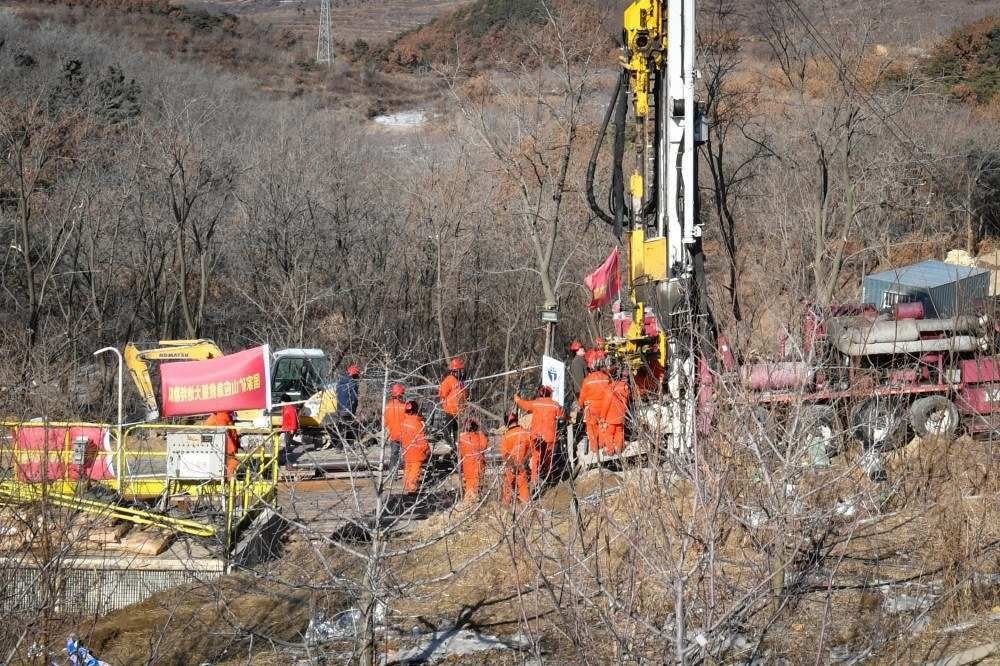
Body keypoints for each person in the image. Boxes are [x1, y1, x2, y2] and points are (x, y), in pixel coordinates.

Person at [514, 385, 564, 485]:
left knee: (536, 457)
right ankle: (549, 478)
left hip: (536, 436)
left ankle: (534, 480)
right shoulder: (555, 405)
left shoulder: (535, 403)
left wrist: (517, 399)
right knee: (548, 458)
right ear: (550, 394)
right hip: (550, 437)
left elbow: (524, 405)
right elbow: (562, 416)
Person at [499, 412, 534, 505]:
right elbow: (532, 448)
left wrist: (513, 465)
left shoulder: (506, 436)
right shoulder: (526, 432)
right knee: (523, 486)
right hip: (523, 465)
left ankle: (506, 505)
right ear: (517, 420)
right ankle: (525, 505)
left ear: (507, 423)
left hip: (511, 466)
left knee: (508, 486)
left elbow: (505, 454)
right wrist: (524, 461)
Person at [578, 362, 611, 453]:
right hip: (605, 407)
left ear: (590, 369)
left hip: (592, 407)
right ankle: (602, 445)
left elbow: (582, 396)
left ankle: (595, 448)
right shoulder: (606, 378)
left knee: (592, 428)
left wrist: (580, 405)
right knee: (603, 426)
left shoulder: (587, 380)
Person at [399, 400, 430, 494]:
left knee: (408, 469)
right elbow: (422, 440)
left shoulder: (404, 422)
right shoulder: (417, 423)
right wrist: (427, 450)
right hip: (416, 452)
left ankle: (407, 486)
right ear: (416, 410)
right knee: (415, 471)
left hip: (406, 450)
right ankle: (412, 489)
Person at [599, 366, 631, 455]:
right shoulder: (624, 387)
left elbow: (606, 405)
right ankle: (619, 449)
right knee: (619, 433)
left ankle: (610, 451)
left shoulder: (610, 388)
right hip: (621, 416)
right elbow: (627, 401)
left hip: (611, 417)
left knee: (608, 434)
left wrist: (602, 417)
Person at [439, 357, 468, 446]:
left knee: (456, 429)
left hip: (459, 410)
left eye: (462, 370)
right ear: (454, 371)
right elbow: (442, 393)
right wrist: (446, 404)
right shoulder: (449, 380)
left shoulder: (461, 381)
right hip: (450, 409)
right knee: (448, 428)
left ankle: (456, 444)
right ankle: (448, 443)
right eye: (460, 370)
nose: (461, 372)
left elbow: (465, 394)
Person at [457, 419, 489, 503]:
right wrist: (481, 428)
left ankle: (468, 502)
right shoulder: (480, 437)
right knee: (477, 485)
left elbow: (460, 453)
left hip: (467, 466)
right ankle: (473, 502)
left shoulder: (462, 438)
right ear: (476, 427)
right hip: (478, 465)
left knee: (469, 484)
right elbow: (485, 444)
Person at [332, 363, 361, 447]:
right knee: (350, 427)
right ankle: (350, 445)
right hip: (348, 409)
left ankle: (339, 447)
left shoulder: (340, 382)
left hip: (339, 408)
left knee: (341, 427)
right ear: (354, 375)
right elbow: (354, 398)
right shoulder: (353, 384)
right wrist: (354, 410)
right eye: (357, 375)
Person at [204, 411, 239, 478]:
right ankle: (228, 482)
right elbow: (224, 435)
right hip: (224, 452)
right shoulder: (222, 415)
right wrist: (232, 451)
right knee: (232, 465)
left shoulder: (217, 416)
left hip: (217, 451)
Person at [280, 400, 299, 467]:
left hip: (289, 428)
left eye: (282, 401)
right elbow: (285, 418)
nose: (281, 403)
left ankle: (287, 458)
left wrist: (292, 429)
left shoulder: (290, 408)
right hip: (286, 428)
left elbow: (293, 419)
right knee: (288, 441)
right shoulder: (285, 408)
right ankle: (286, 455)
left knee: (287, 441)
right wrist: (283, 426)